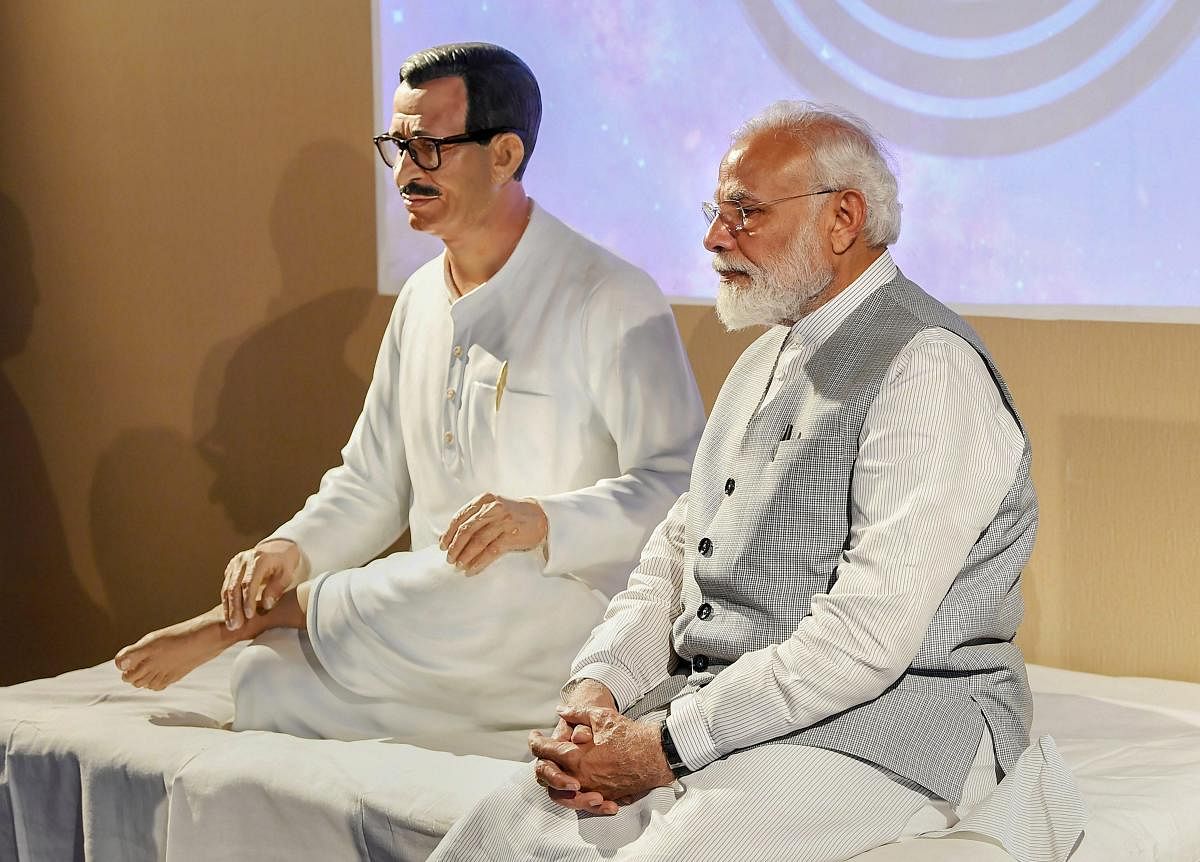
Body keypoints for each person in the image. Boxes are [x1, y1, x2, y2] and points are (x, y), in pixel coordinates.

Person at [429, 102, 1086, 860]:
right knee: (505, 823)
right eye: (717, 212)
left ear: (843, 218)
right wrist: (599, 691)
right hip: (732, 710)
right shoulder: (760, 361)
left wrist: (661, 747)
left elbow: (866, 640)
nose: (714, 237)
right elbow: (677, 558)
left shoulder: (927, 366)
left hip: (894, 726)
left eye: (745, 213)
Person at [113, 42, 704, 760]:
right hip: (443, 628)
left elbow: (678, 489)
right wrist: (290, 550)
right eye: (396, 146)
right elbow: (371, 482)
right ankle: (494, 729)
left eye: (428, 148)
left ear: (506, 153)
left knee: (496, 581)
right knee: (266, 684)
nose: (404, 173)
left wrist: (544, 521)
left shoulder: (610, 295)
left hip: (559, 615)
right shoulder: (421, 299)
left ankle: (244, 621)